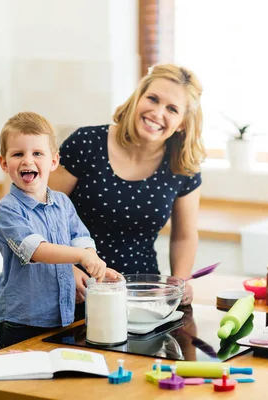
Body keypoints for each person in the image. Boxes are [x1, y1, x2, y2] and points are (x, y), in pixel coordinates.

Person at [49, 64, 206, 310]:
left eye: (172, 109)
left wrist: (181, 280)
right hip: (74, 289)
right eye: (152, 99)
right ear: (137, 98)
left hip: (141, 299)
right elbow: (41, 215)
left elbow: (184, 236)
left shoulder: (182, 165)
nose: (157, 112)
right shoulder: (86, 143)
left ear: (182, 123)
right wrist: (63, 268)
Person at [0, 111, 116, 350]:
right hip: (21, 323)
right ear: (4, 163)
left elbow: (80, 237)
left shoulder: (62, 202)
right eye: (18, 154)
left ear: (53, 161)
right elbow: (36, 250)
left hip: (61, 317)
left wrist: (94, 261)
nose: (28, 161)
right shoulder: (7, 209)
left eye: (37, 153)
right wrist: (82, 256)